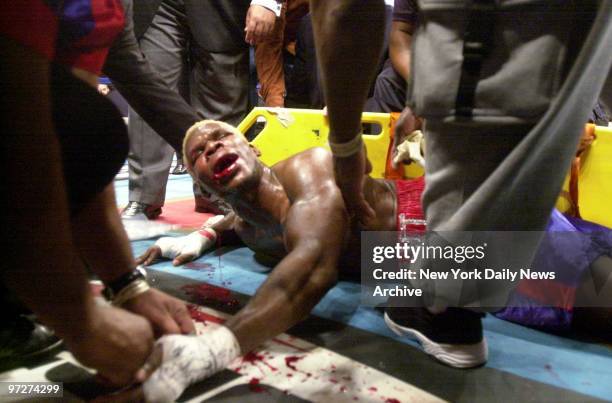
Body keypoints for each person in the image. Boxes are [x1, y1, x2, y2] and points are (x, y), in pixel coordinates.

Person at [1, 0, 194, 384]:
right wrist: (77, 316)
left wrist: (125, 284)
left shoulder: (101, 8)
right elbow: (20, 133)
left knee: (93, 124)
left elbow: (76, 138)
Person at [121, 0, 282, 219]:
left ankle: (219, 192)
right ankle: (143, 196)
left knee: (223, 95)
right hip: (154, 6)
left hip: (224, 7)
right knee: (149, 86)